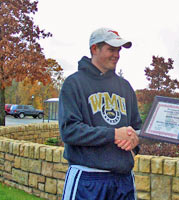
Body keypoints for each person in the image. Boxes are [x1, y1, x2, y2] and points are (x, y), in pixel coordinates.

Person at [59, 27, 142, 200]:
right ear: (94, 49)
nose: (117, 55)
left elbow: (137, 126)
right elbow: (70, 131)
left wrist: (136, 139)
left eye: (118, 50)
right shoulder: (74, 84)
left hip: (123, 180)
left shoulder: (124, 87)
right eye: (111, 49)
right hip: (87, 179)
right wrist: (112, 134)